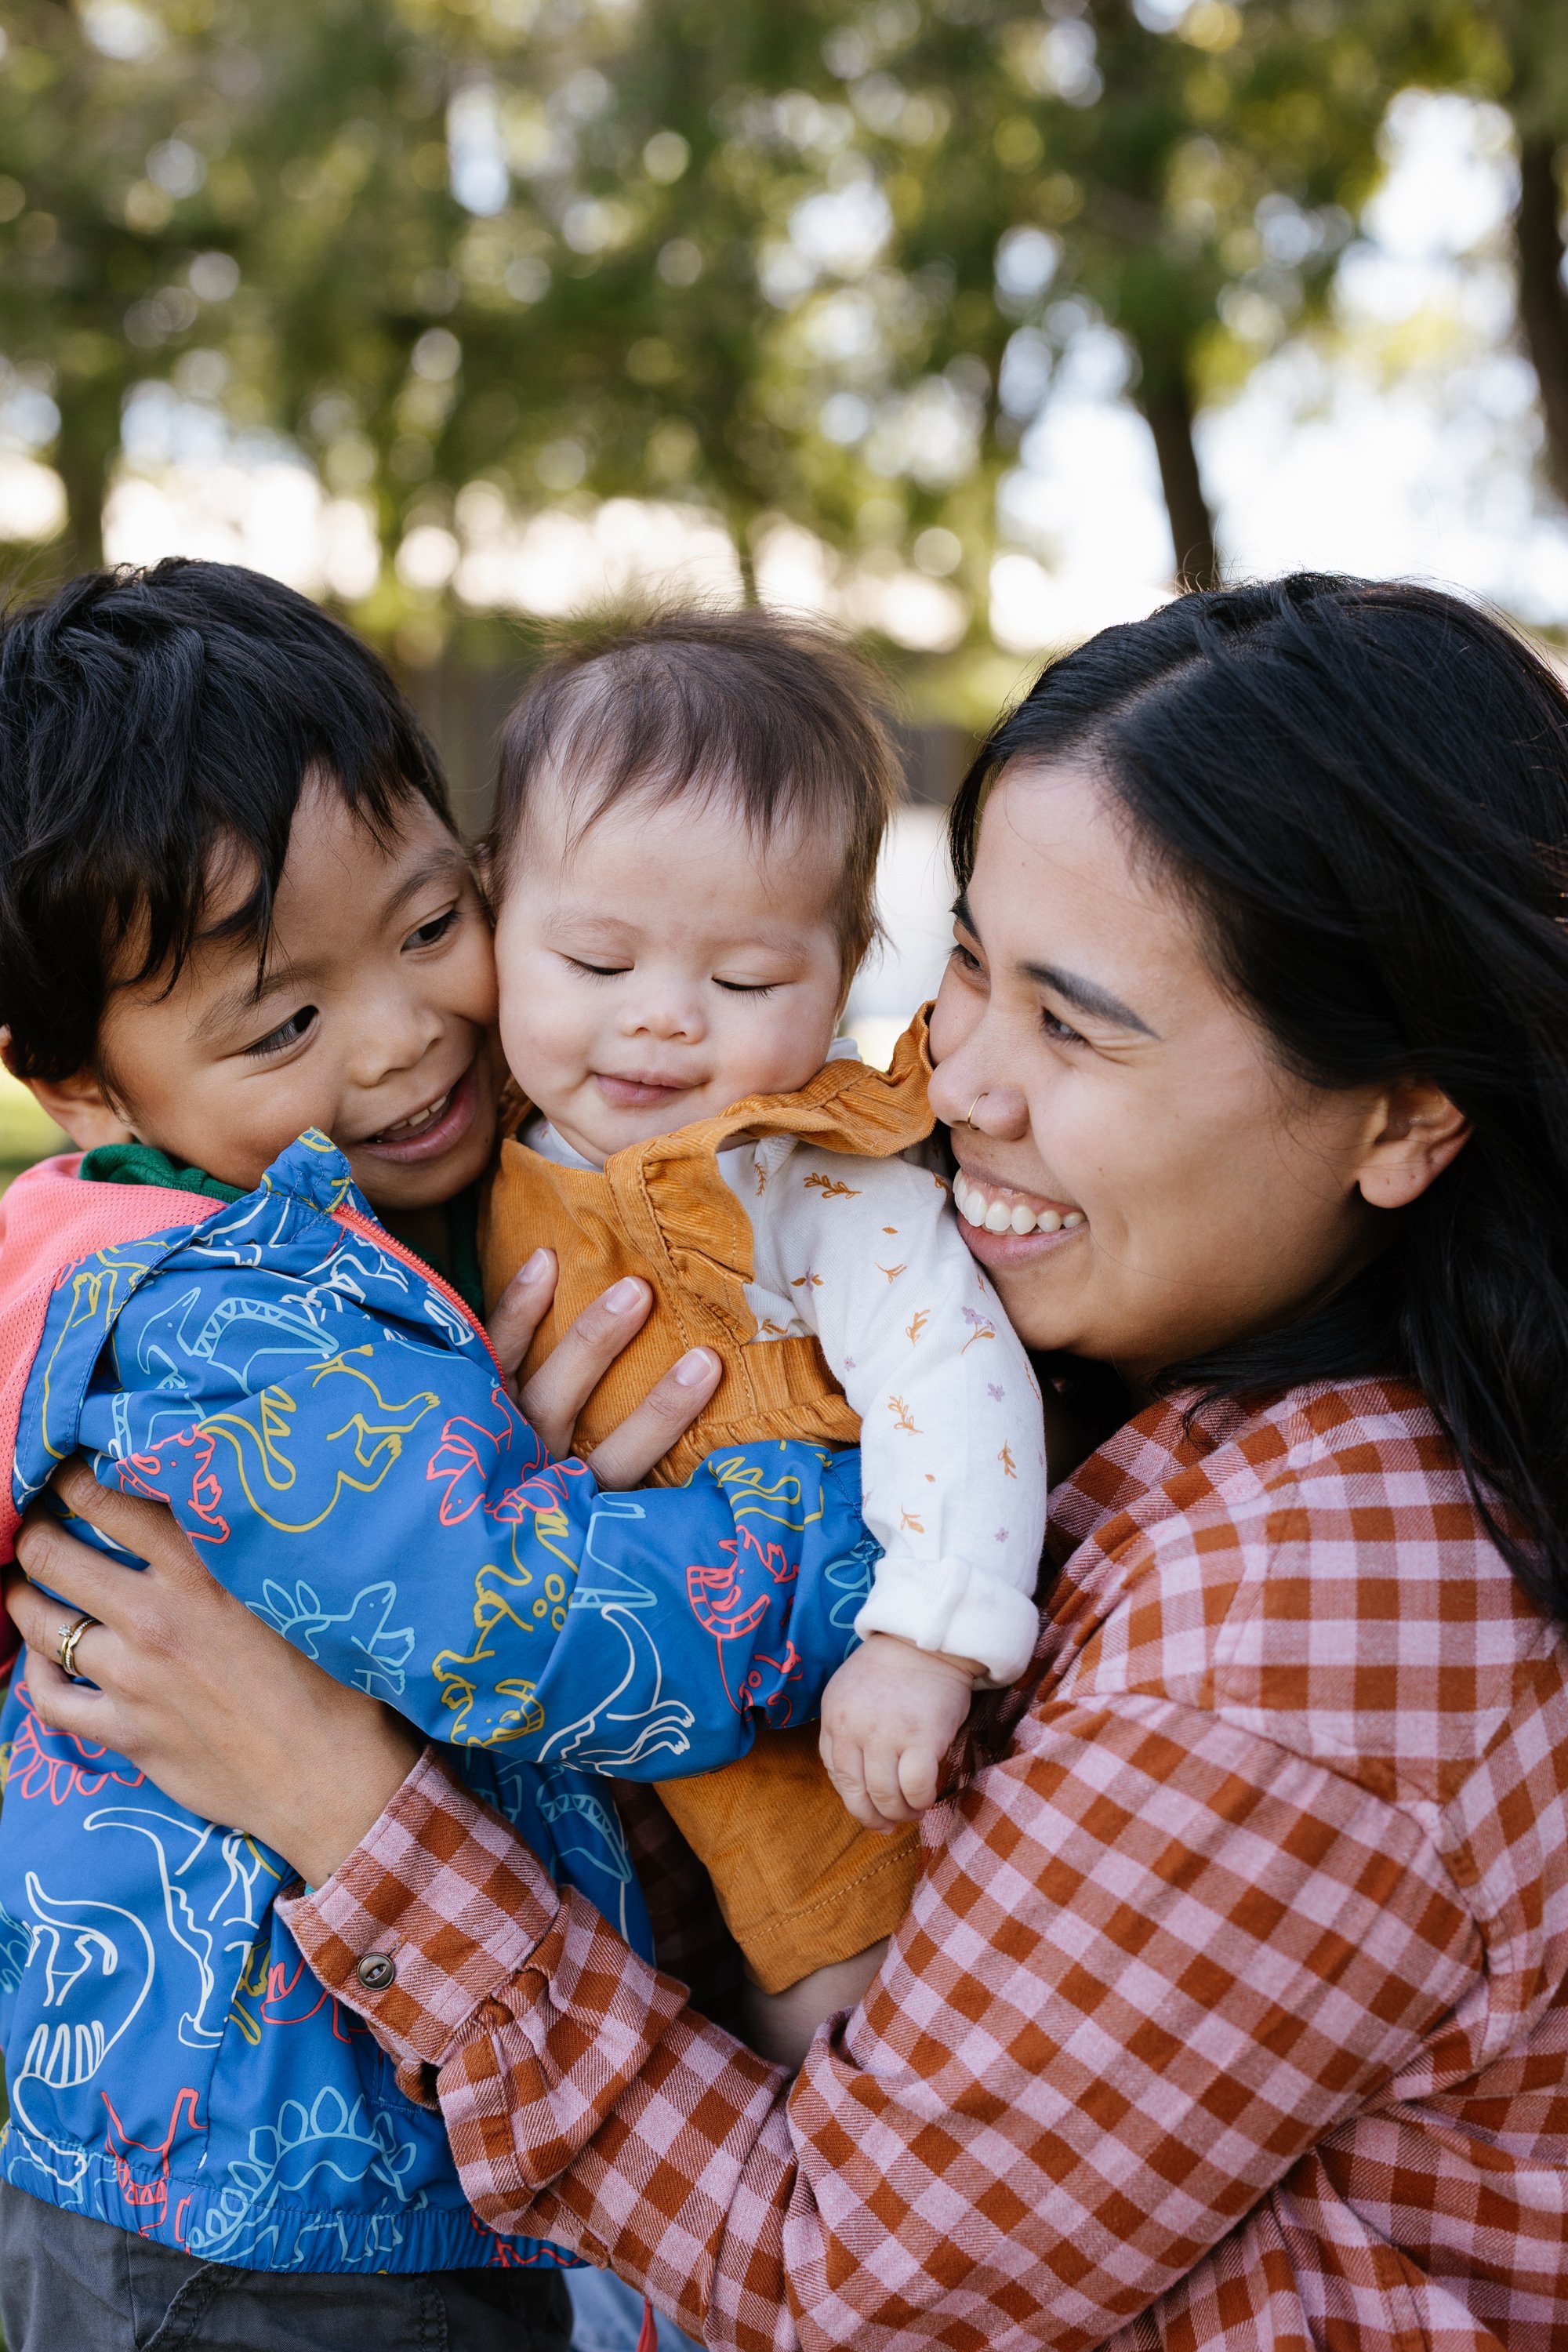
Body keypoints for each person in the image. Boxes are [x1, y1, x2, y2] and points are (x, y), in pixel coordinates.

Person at [14, 572, 1568, 2350]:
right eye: (969, 964)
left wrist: (334, 1796)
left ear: (1404, 1113)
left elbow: (837, 2282)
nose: (953, 1081)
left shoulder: (1291, 1650)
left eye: (1077, 1026)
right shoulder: (1150, 1406)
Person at [0, 562, 871, 2351]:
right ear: (76, 1078)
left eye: (424, 926)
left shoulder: (372, 1221)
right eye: (281, 1023)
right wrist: (862, 1532)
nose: (401, 1038)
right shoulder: (217, 1310)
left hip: (294, 2166)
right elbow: (503, 1618)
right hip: (271, 2227)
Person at [478, 611, 1047, 2061]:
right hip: (597, 1711)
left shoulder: (806, 1174)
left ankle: (827, 2233)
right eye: (595, 962)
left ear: (849, 961)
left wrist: (930, 1636)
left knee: (829, 1984)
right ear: (495, 918)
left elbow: (950, 1371)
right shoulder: (492, 1138)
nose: (663, 1023)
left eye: (743, 984)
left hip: (820, 1716)